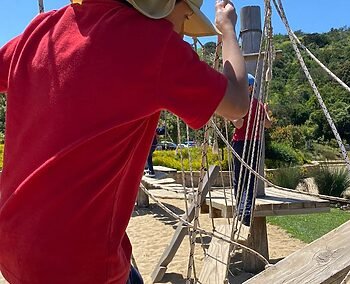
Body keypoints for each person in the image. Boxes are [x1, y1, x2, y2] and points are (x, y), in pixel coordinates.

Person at [0, 0, 249, 283]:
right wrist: (227, 30)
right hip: (78, 264)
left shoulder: (41, 29)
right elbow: (238, 103)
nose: (183, 31)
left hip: (12, 245)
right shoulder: (154, 44)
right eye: (186, 16)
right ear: (166, 4)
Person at [231, 73, 272, 226]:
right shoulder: (258, 104)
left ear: (248, 87)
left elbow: (238, 124)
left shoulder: (239, 103)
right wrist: (265, 112)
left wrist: (229, 115)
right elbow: (267, 124)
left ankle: (241, 211)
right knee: (250, 178)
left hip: (240, 143)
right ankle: (245, 211)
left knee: (239, 177)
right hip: (254, 143)